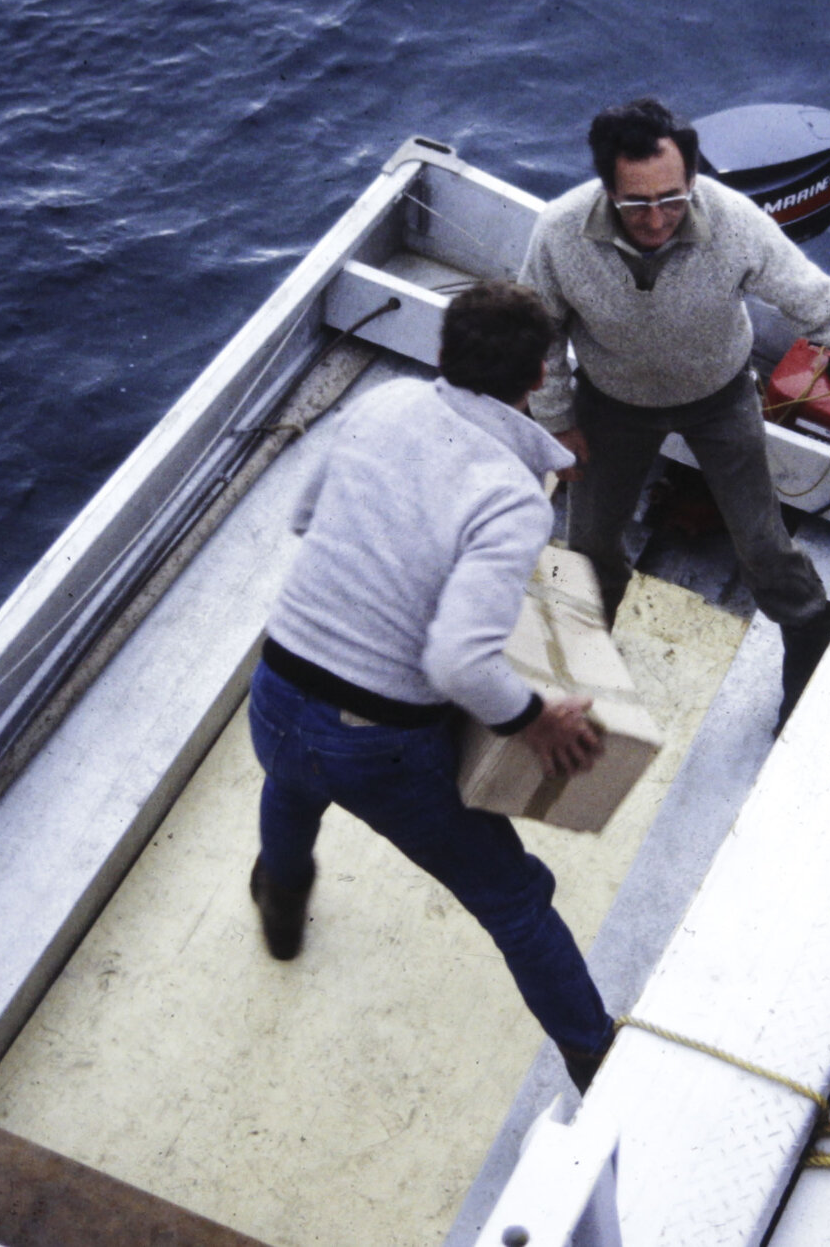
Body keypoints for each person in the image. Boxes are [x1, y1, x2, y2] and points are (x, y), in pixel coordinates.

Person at [245, 279, 617, 1089]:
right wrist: (534, 721)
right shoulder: (514, 497)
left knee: (291, 781)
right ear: (535, 382)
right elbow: (459, 663)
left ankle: (280, 903)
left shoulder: (382, 405)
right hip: (377, 749)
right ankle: (597, 1058)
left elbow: (304, 519)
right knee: (516, 899)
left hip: (273, 693)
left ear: (443, 352)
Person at [519, 97, 830, 726]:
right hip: (611, 405)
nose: (658, 219)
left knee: (763, 545)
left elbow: (827, 308)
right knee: (587, 545)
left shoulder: (735, 221)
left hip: (721, 399)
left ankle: (810, 630)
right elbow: (538, 331)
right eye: (637, 204)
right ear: (605, 186)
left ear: (692, 179)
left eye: (674, 198)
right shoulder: (557, 233)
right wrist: (556, 421)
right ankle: (582, 659)